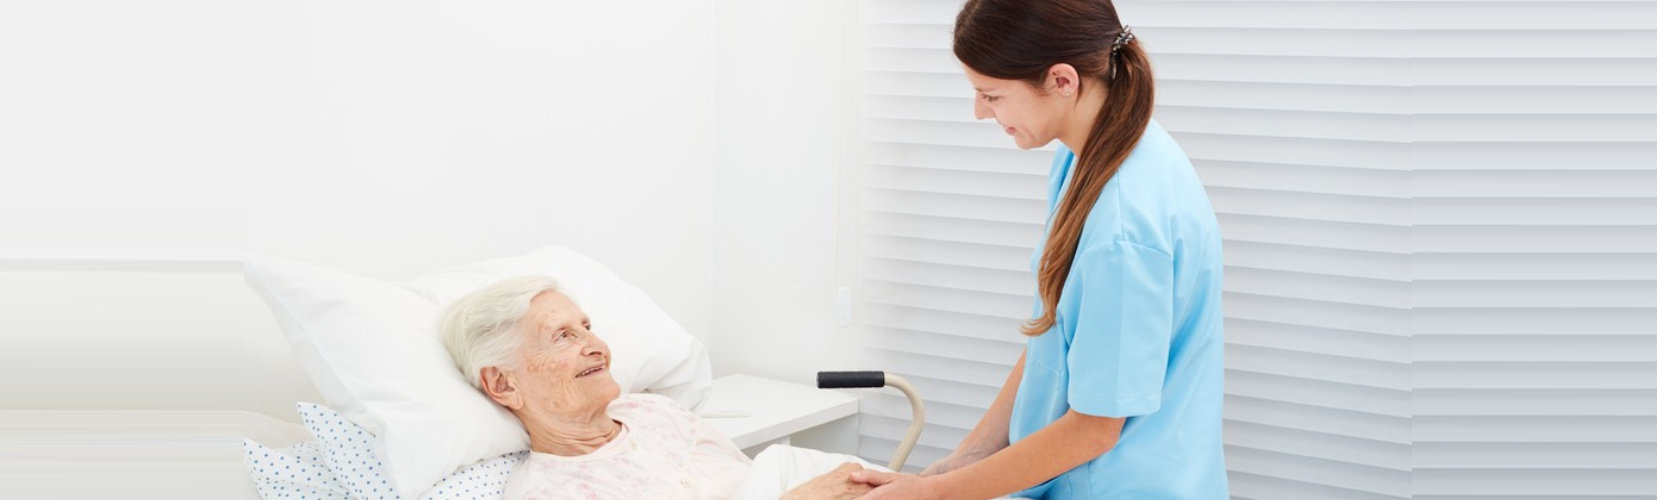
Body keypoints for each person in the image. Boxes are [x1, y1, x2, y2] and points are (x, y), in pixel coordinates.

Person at [847, 0, 1228, 498]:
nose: (980, 111)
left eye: (992, 94)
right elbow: (1057, 338)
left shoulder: (1123, 227)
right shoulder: (1086, 159)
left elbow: (1094, 428)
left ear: (1062, 81)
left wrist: (934, 495)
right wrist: (960, 464)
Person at [439, 276, 870, 500]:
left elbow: (756, 479)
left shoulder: (654, 412)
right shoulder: (548, 492)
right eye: (563, 336)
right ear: (502, 384)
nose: (597, 347)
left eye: (588, 327)